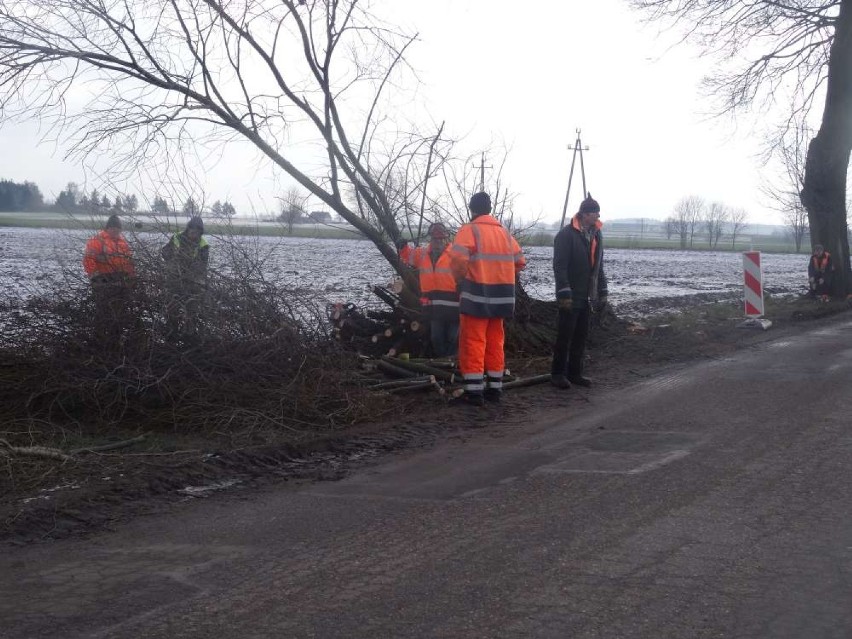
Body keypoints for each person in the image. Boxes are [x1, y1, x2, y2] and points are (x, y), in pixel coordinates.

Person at [449, 192, 526, 406]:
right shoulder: (504, 233)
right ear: (489, 209)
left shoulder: (469, 230)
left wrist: (459, 281)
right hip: (502, 298)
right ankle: (495, 389)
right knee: (495, 342)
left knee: (473, 341)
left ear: (472, 209)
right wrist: (501, 273)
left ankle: (474, 393)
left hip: (476, 296)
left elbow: (457, 259)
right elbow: (520, 261)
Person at [550, 193, 608, 389]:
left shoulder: (596, 235)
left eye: (598, 213)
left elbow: (599, 266)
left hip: (586, 296)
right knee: (565, 336)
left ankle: (575, 373)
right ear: (584, 214)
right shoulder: (565, 236)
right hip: (570, 294)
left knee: (581, 337)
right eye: (595, 213)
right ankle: (557, 374)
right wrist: (564, 293)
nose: (597, 217)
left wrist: (603, 290)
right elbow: (559, 267)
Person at [400, 222, 460, 357]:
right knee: (436, 338)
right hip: (433, 307)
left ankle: (451, 365)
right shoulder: (422, 254)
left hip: (454, 306)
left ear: (446, 239)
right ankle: (442, 365)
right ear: (430, 239)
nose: (438, 241)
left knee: (453, 338)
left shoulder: (456, 254)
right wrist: (402, 247)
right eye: (435, 238)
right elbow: (408, 255)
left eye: (441, 238)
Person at [82, 214, 136, 338]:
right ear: (108, 228)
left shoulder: (123, 243)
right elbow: (88, 259)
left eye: (118, 229)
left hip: (120, 280)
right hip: (103, 280)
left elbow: (129, 262)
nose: (116, 231)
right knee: (103, 311)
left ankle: (116, 336)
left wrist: (132, 277)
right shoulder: (97, 240)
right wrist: (95, 277)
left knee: (119, 311)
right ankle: (99, 337)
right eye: (113, 228)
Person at [161, 216, 209, 339]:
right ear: (188, 229)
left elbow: (202, 266)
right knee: (172, 308)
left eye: (197, 232)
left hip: (192, 283)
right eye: (192, 231)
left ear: (200, 232)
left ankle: (189, 336)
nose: (194, 234)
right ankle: (171, 333)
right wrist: (171, 256)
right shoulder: (176, 237)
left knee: (191, 311)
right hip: (174, 280)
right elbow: (165, 252)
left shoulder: (203, 245)